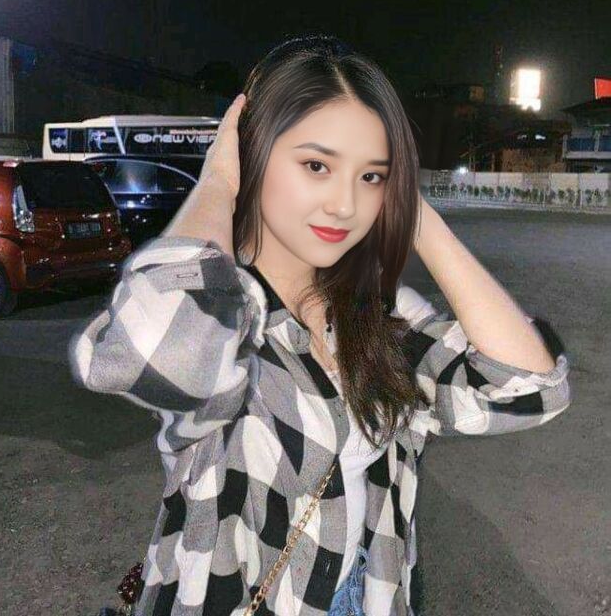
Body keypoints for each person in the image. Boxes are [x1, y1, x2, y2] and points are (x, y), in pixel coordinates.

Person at [69, 35, 572, 616]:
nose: (345, 205)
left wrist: (417, 216)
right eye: (316, 165)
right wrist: (217, 187)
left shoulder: (377, 316)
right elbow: (154, 360)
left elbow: (529, 388)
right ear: (254, 155)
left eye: (371, 177)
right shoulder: (225, 321)